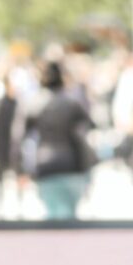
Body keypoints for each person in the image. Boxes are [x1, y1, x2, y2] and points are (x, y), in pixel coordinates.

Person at [24, 60, 95, 219]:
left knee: (53, 215)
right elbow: (89, 127)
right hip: (71, 164)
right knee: (68, 216)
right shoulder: (72, 103)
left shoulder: (35, 103)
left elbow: (22, 136)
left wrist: (21, 168)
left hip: (47, 165)